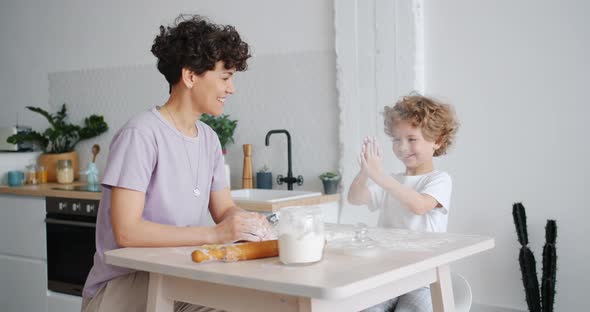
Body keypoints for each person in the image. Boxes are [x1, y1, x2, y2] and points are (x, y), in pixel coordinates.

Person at [81, 14, 271, 312]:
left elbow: (223, 210)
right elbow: (127, 232)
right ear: (191, 76)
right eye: (224, 77)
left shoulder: (208, 139)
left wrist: (247, 223)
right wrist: (214, 235)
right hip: (124, 287)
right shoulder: (140, 135)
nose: (231, 88)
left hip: (175, 273)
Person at [347, 94, 459, 312]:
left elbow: (419, 205)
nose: (402, 147)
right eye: (396, 140)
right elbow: (355, 198)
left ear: (437, 140)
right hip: (385, 276)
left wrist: (380, 177)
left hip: (422, 281)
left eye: (411, 139)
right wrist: (365, 173)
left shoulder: (438, 180)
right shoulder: (392, 180)